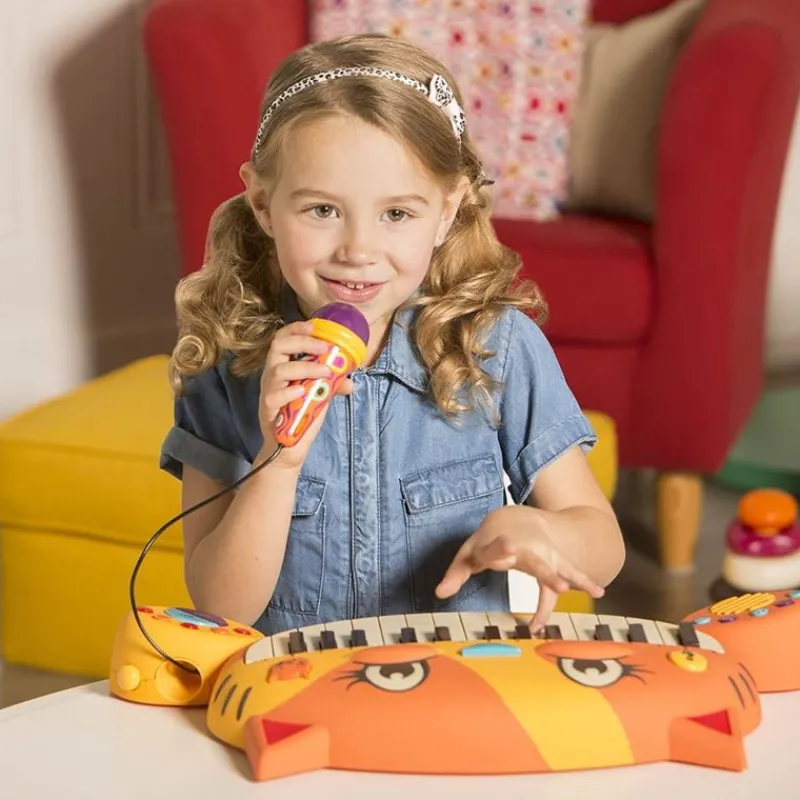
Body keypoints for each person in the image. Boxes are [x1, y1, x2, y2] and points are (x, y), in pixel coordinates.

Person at [159, 33, 625, 638]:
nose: (358, 251)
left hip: (455, 689)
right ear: (263, 201)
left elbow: (603, 545)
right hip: (296, 689)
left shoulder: (494, 345)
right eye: (322, 210)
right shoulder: (225, 362)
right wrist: (279, 460)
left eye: (397, 214)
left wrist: (541, 532)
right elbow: (220, 610)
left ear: (449, 210)